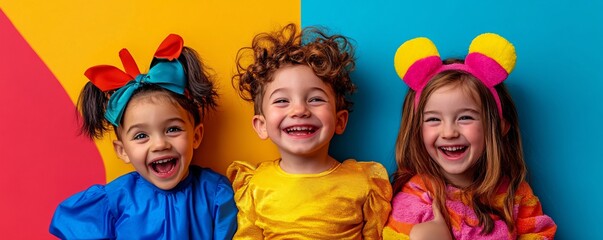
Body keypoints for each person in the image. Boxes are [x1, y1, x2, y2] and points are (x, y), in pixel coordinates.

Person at [49, 34, 237, 239]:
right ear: (122, 150)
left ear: (196, 135)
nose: (159, 144)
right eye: (141, 135)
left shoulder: (215, 193)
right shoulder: (115, 200)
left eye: (172, 129)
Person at [382, 33, 557, 239]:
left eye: (465, 117)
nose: (449, 132)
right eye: (433, 119)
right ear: (416, 130)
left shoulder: (517, 196)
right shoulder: (415, 198)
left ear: (499, 127)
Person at [227, 23, 392, 239]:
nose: (300, 110)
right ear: (262, 125)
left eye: (315, 99)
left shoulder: (363, 182)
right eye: (282, 100)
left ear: (340, 120)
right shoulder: (255, 184)